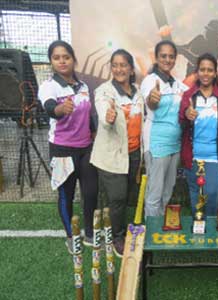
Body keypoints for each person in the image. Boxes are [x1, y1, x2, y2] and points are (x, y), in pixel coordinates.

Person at [38, 40, 98, 254]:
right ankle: (71, 237)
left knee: (91, 193)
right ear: (51, 62)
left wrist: (95, 131)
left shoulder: (83, 86)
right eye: (57, 57)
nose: (62, 61)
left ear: (73, 59)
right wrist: (61, 108)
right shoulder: (49, 86)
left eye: (66, 57)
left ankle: (90, 232)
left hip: (86, 148)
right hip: (62, 149)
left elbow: (88, 115)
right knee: (67, 194)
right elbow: (50, 107)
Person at [90, 49, 143, 257]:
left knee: (126, 195)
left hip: (133, 153)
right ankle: (116, 236)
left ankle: (116, 225)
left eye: (123, 65)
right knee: (118, 197)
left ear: (131, 69)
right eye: (115, 65)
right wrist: (108, 116)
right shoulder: (104, 91)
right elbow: (103, 107)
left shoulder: (137, 91)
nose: (119, 69)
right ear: (111, 68)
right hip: (112, 155)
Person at [179, 53, 218, 217]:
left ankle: (210, 227)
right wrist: (186, 113)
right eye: (202, 69)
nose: (205, 73)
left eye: (209, 70)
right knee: (195, 193)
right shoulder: (189, 96)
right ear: (197, 72)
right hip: (193, 155)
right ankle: (198, 228)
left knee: (211, 193)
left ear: (215, 73)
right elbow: (180, 119)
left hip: (214, 157)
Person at [140, 40, 188, 217]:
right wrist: (153, 98)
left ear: (175, 59)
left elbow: (193, 96)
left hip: (174, 144)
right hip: (157, 144)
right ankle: (152, 234)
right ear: (157, 57)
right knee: (155, 192)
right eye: (163, 56)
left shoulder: (178, 84)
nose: (167, 60)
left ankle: (159, 225)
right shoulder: (150, 81)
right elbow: (150, 103)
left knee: (168, 190)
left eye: (171, 56)